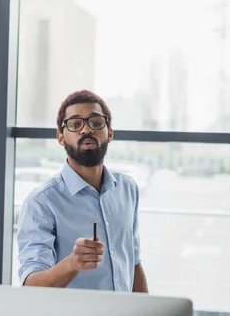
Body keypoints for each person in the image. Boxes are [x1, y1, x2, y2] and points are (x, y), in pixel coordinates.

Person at [17, 90, 148, 293]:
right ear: (61, 137)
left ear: (110, 133)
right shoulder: (41, 202)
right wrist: (72, 264)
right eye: (75, 124)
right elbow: (31, 285)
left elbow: (134, 263)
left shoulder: (127, 189)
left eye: (96, 123)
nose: (86, 130)